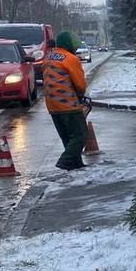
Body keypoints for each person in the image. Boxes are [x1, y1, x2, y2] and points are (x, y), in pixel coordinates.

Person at [44, 31, 90, 170]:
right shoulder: (70, 59)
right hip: (68, 104)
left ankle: (75, 164)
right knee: (80, 134)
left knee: (67, 137)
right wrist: (81, 96)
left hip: (52, 105)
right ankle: (65, 161)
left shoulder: (49, 57)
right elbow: (80, 84)